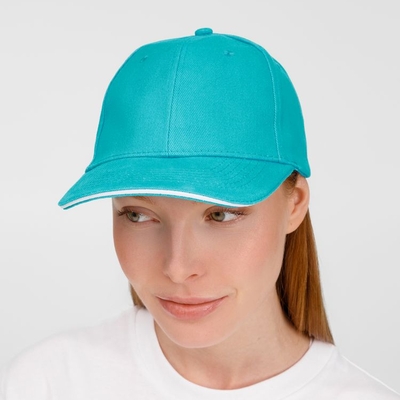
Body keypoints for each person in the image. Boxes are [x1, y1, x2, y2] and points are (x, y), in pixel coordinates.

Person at [1, 27, 399, 399]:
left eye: (220, 215)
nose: (178, 268)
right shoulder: (47, 383)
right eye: (138, 215)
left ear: (294, 203)